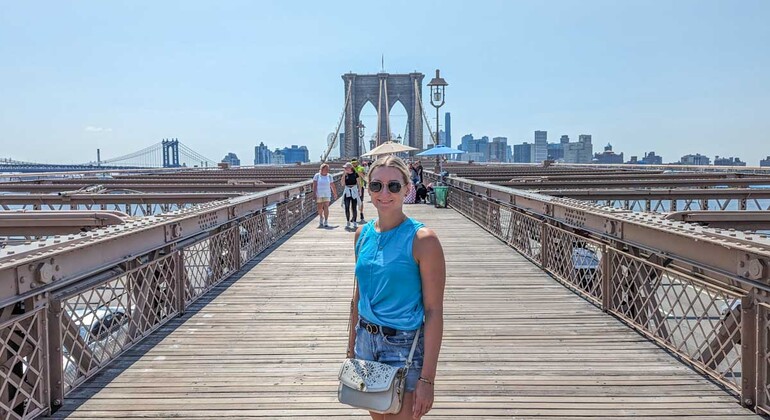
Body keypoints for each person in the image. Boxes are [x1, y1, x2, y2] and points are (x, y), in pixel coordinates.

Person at [347, 155, 446, 420]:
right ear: (368, 189)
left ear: (407, 188)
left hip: (403, 348)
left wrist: (428, 379)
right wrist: (351, 350)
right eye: (377, 186)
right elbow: (358, 296)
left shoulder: (423, 240)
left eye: (393, 186)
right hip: (366, 344)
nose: (384, 193)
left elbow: (434, 311)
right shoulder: (362, 234)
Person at [312, 163, 337, 227]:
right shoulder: (317, 175)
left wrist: (335, 193)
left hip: (327, 194)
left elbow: (332, 185)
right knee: (319, 208)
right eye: (326, 169)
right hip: (319, 194)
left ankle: (326, 220)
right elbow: (314, 185)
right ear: (322, 169)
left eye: (328, 169)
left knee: (326, 206)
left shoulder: (329, 176)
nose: (327, 170)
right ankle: (321, 217)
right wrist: (314, 193)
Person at [340, 162, 361, 229]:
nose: (345, 169)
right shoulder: (345, 175)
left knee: (354, 207)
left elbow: (359, 183)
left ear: (350, 168)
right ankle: (348, 221)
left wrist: (359, 190)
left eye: (346, 168)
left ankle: (354, 221)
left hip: (354, 190)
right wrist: (343, 175)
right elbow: (342, 184)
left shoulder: (355, 174)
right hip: (347, 191)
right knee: (347, 207)